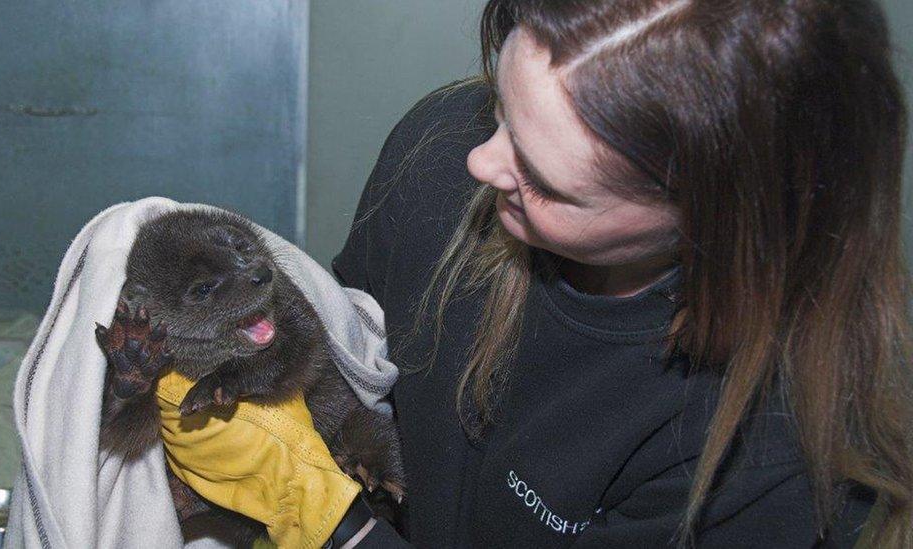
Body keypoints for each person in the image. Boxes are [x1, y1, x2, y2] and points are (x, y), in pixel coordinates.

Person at [160, 0, 910, 547]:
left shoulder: (767, 457)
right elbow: (347, 367)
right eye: (500, 110)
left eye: (546, 181)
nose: (480, 164)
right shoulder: (437, 155)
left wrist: (330, 522)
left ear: (714, 222)